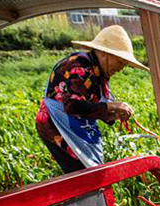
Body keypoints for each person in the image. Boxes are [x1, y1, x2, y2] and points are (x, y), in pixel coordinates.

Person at [36, 25, 146, 174]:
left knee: (89, 173)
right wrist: (112, 106)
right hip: (56, 126)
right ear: (104, 53)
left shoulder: (98, 73)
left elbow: (92, 107)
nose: (121, 68)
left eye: (124, 64)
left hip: (73, 125)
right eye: (120, 62)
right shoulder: (80, 67)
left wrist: (114, 114)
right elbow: (73, 106)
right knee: (82, 175)